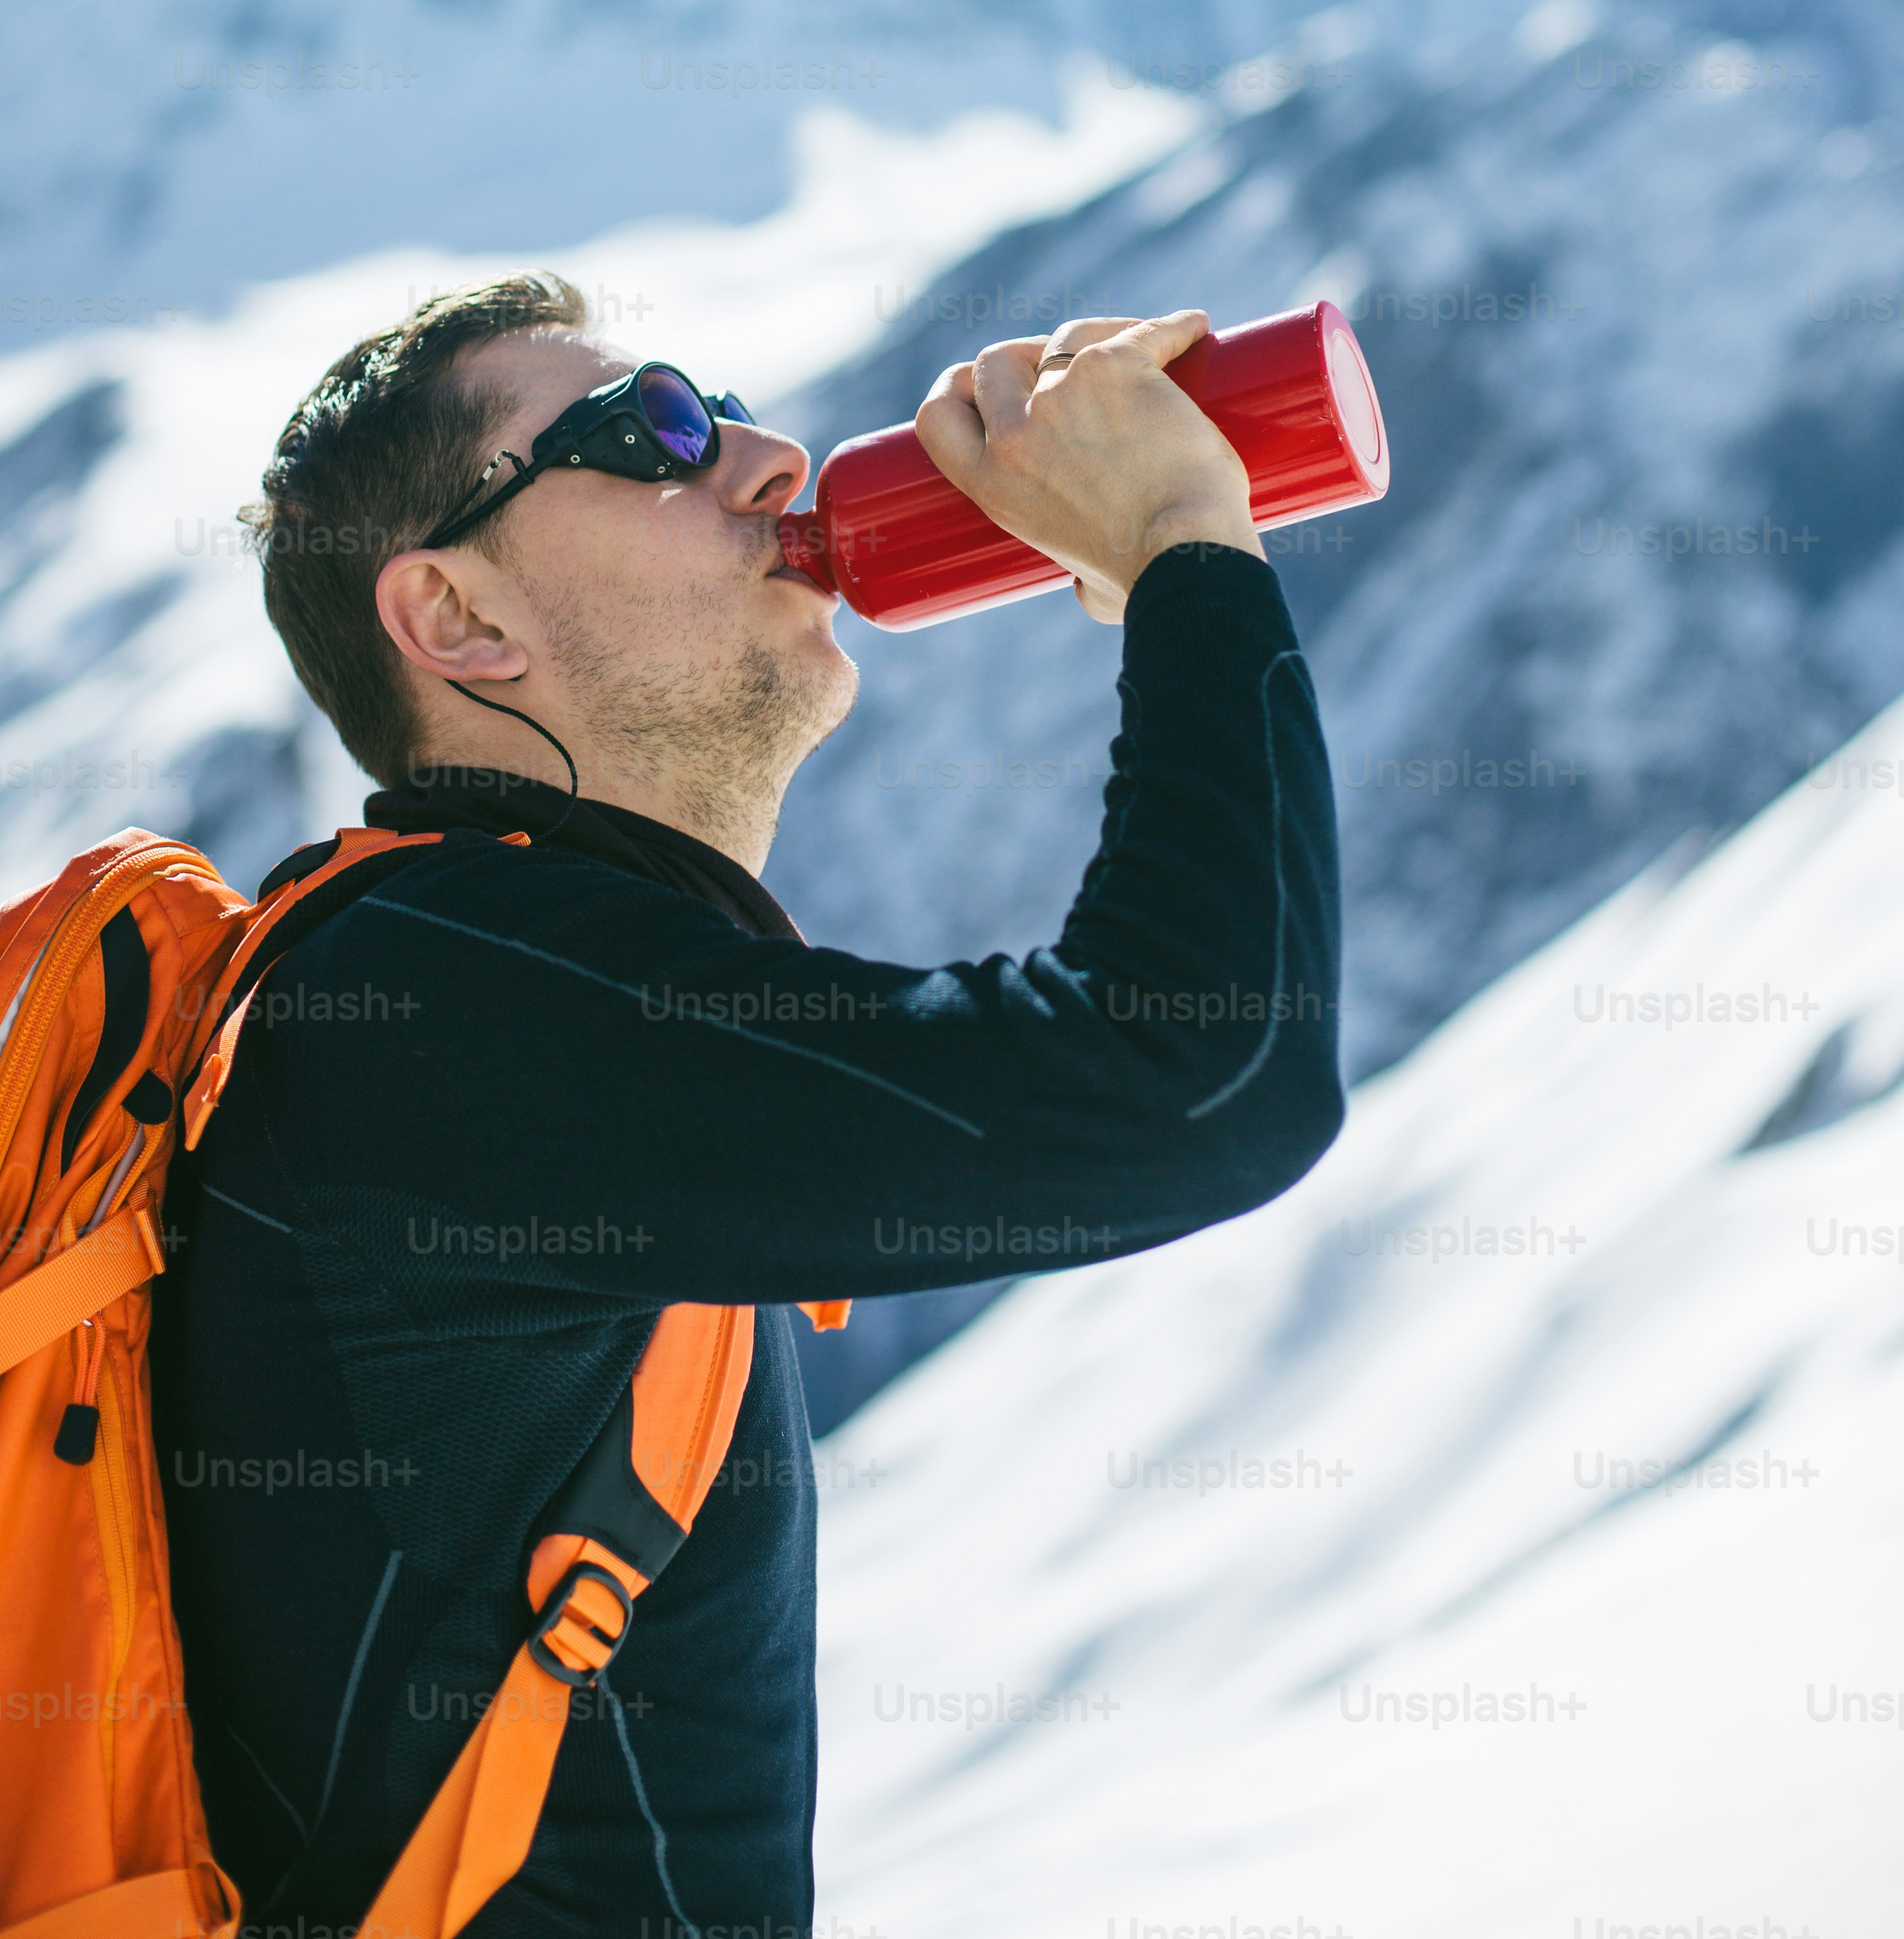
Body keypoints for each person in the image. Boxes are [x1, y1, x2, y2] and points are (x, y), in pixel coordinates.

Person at [152, 271, 1344, 1939]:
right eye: (653, 434)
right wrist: (1184, 544)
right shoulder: (451, 989)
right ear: (459, 621)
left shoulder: (454, 987)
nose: (773, 458)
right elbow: (1198, 1079)